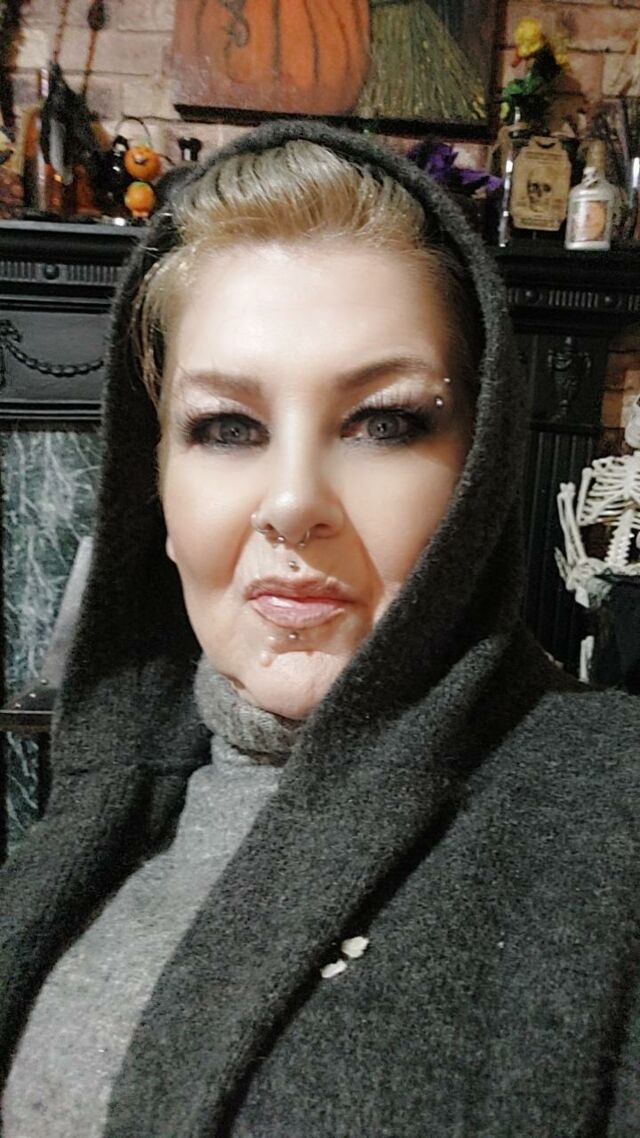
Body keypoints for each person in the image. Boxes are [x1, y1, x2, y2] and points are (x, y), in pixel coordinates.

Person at [1, 118, 639, 1137]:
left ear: (477, 472)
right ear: (154, 488)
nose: (293, 502)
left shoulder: (616, 812)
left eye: (384, 422)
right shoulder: (97, 805)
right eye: (226, 427)